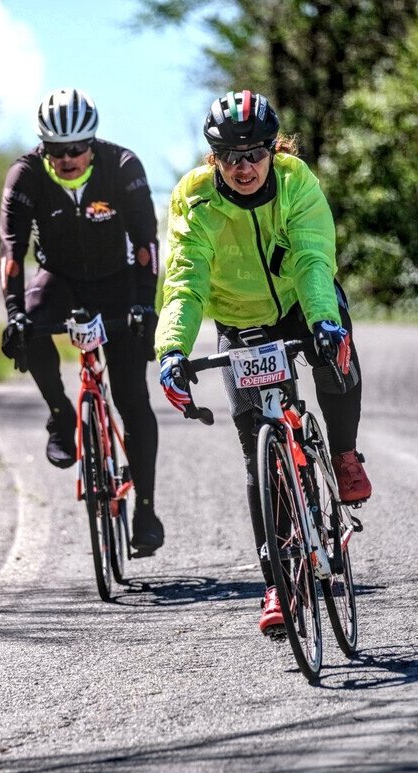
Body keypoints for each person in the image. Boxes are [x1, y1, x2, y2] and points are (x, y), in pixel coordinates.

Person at [155, 89, 372, 631]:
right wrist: (172, 350)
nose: (243, 166)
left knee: (336, 351)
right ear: (214, 158)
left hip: (303, 300)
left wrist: (323, 321)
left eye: (254, 153)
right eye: (230, 155)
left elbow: (312, 256)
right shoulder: (196, 199)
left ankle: (343, 455)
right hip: (240, 320)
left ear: (274, 150)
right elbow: (185, 281)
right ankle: (276, 584)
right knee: (258, 450)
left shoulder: (296, 181)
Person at [0, 87, 164, 556]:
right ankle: (60, 414)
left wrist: (143, 304)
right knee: (25, 331)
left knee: (133, 397)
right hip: (61, 278)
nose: (67, 159)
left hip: (119, 280)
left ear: (92, 141)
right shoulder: (26, 174)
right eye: (56, 150)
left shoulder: (122, 166)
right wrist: (13, 314)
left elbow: (147, 242)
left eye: (76, 148)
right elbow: (11, 252)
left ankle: (146, 510)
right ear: (42, 147)